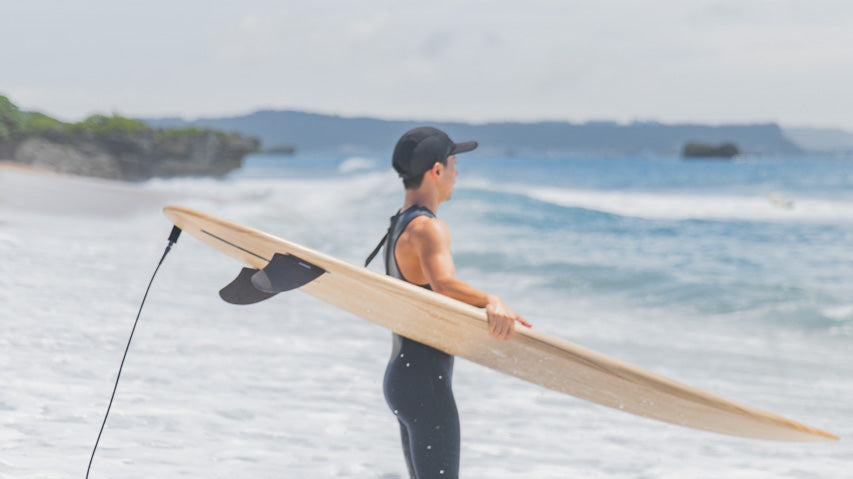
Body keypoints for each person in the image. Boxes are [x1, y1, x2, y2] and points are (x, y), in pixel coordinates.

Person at [376, 126, 531, 479]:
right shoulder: (428, 228)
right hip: (425, 385)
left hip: (403, 379)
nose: (457, 173)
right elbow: (443, 285)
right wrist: (491, 300)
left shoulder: (397, 225)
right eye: (454, 163)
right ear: (436, 171)